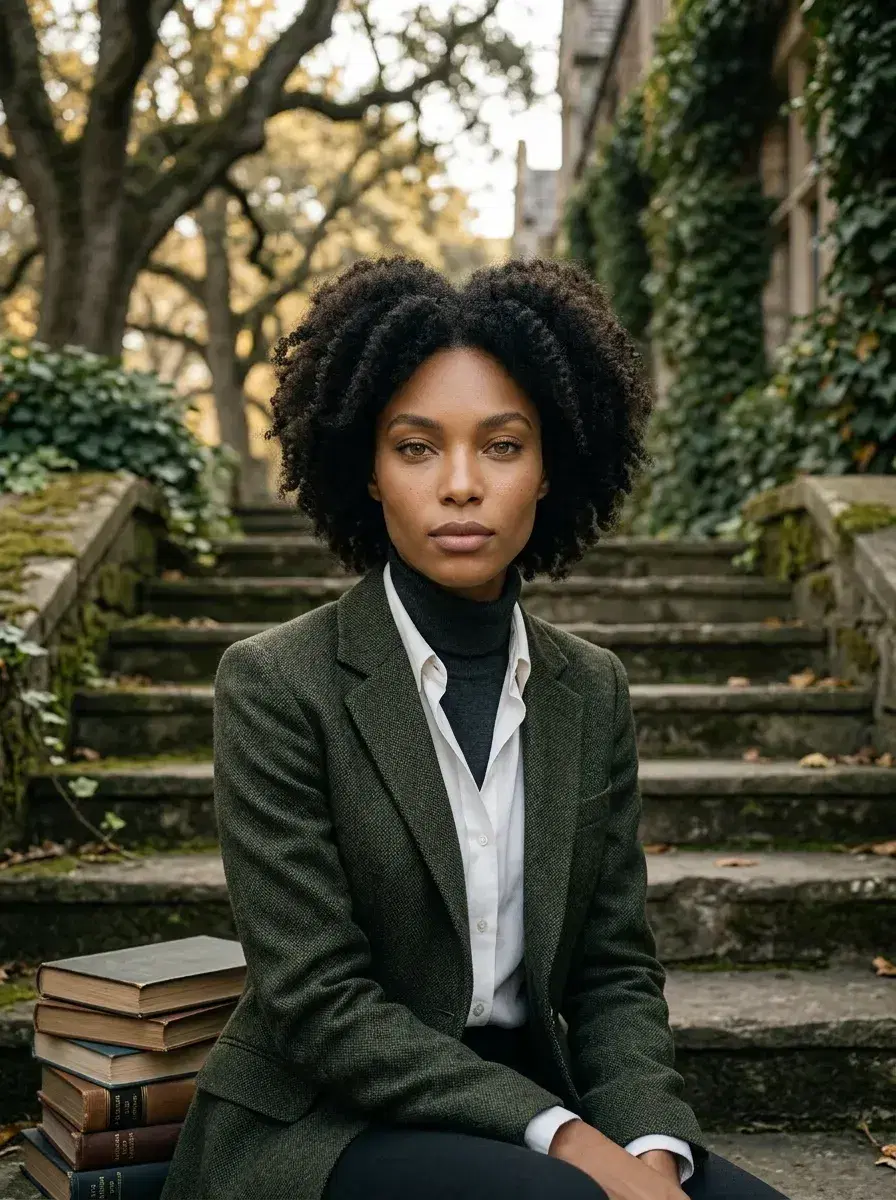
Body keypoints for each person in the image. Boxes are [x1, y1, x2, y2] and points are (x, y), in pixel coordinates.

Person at [160, 258, 790, 1200]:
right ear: (368, 472)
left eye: (502, 446)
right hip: (327, 1120)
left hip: (530, 1097)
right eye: (416, 448)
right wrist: (574, 1144)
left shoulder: (590, 688)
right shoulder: (276, 683)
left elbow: (614, 972)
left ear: (550, 469)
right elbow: (318, 1004)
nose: (461, 484)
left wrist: (651, 1144)